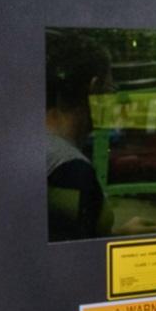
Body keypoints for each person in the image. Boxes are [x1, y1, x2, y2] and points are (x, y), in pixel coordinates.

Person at [45, 30, 116, 241]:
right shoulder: (71, 170)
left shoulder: (33, 142)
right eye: (110, 89)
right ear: (94, 89)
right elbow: (75, 257)